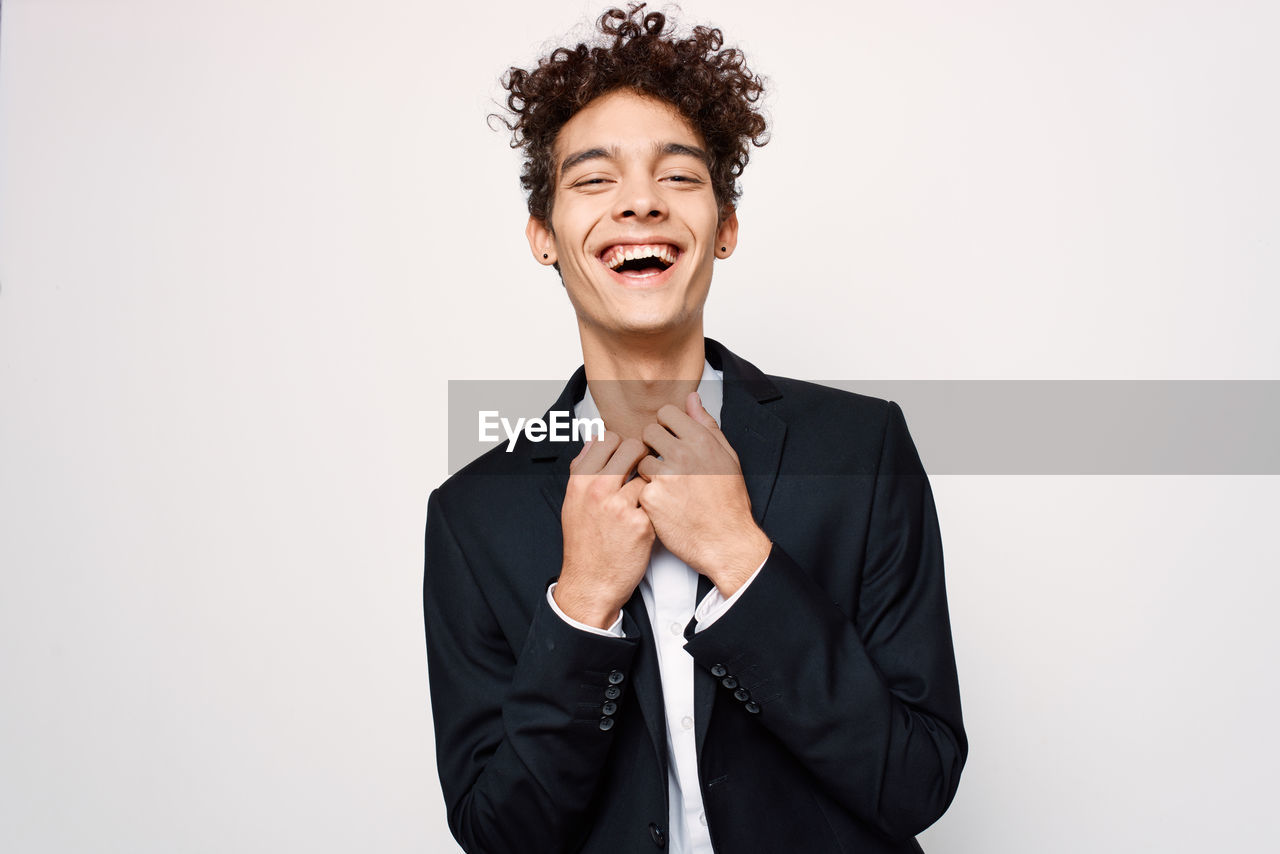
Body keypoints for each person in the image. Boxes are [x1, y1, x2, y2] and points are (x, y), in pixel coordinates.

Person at [423, 5, 966, 852]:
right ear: (544, 236)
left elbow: (917, 781)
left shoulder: (861, 450)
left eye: (679, 176)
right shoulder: (471, 516)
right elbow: (502, 835)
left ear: (726, 228)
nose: (639, 201)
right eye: (594, 180)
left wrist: (743, 562)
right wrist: (582, 607)